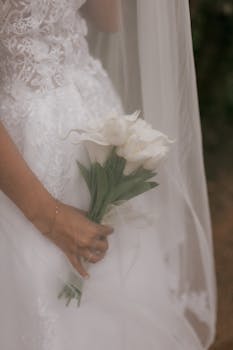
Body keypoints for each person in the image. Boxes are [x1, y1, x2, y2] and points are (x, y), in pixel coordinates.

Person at [0, 1, 216, 349]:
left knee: (113, 288)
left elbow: (107, 18)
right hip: (23, 158)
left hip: (93, 124)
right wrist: (49, 217)